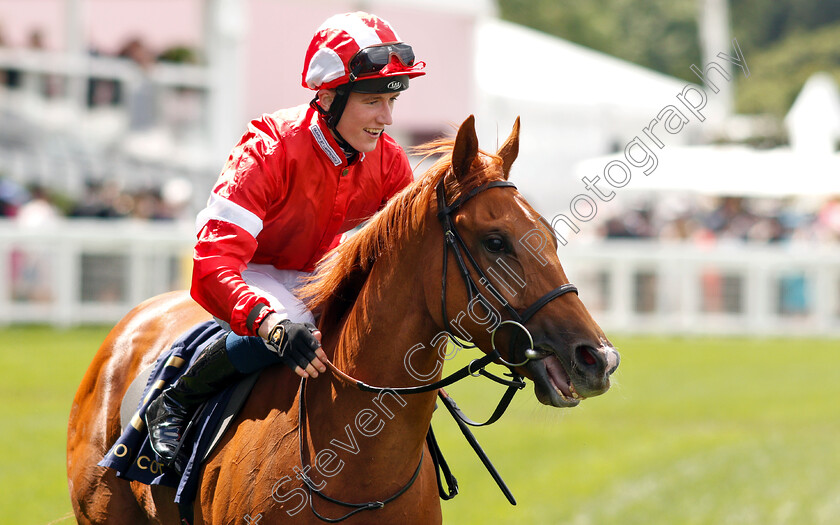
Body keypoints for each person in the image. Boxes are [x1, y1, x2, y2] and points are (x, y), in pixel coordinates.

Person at [145, 11, 425, 467]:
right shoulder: (268, 147)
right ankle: (176, 398)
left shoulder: (389, 162)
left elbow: (407, 252)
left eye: (393, 101)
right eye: (374, 101)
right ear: (330, 94)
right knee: (289, 324)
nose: (387, 118)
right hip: (250, 268)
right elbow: (213, 259)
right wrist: (269, 324)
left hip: (317, 269)